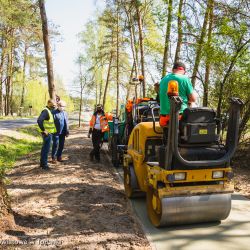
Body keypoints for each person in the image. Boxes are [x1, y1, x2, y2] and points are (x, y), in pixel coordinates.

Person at [159, 62, 196, 142]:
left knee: (167, 142)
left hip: (164, 119)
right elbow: (193, 99)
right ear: (184, 71)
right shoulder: (184, 79)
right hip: (179, 118)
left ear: (173, 70)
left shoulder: (163, 80)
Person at [37, 99, 57, 170]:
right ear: (48, 103)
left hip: (48, 133)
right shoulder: (46, 111)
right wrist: (44, 130)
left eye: (55, 104)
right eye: (53, 104)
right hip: (47, 134)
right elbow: (39, 120)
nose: (54, 105)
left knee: (44, 149)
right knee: (46, 149)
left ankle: (42, 164)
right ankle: (44, 165)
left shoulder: (49, 111)